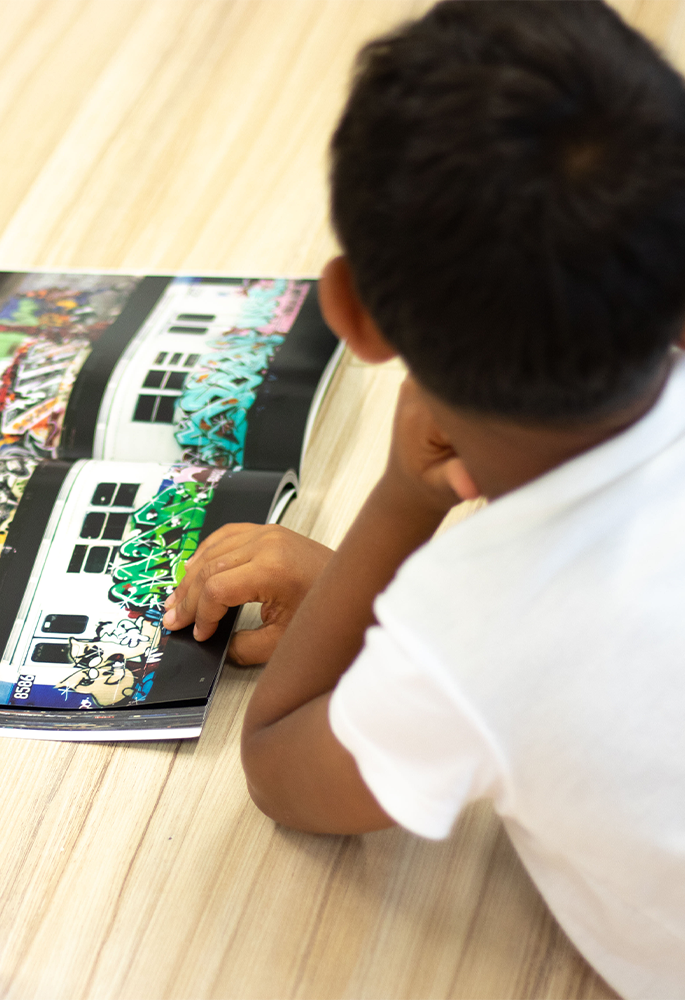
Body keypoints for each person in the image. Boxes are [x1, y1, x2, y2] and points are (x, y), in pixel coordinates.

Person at [161, 2, 685, 996]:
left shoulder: (477, 633)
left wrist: (402, 502)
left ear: (352, 312)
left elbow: (278, 765)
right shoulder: (471, 631)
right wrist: (391, 616)